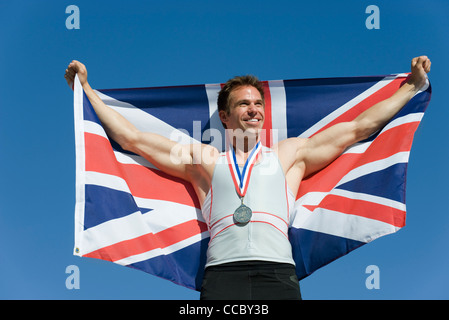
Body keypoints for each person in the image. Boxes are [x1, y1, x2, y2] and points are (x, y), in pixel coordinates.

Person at [65, 56, 431, 300]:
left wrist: (411, 87)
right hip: (222, 277)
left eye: (258, 104)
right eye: (243, 103)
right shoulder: (205, 159)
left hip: (278, 276)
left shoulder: (289, 155)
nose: (253, 109)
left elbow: (357, 128)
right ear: (225, 117)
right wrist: (88, 91)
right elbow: (134, 139)